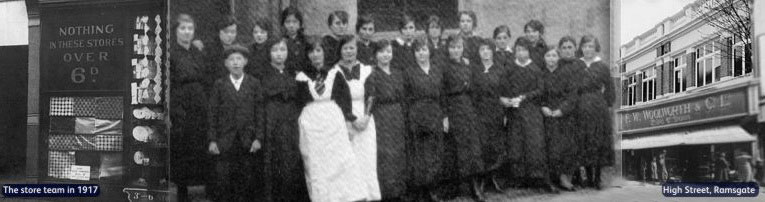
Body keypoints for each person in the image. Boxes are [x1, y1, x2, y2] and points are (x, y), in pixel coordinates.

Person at [296, 37, 368, 202]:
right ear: (307, 55)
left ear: (324, 52)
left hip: (333, 120)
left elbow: (345, 99)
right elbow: (299, 102)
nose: (315, 55)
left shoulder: (334, 73)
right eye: (311, 51)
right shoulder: (301, 77)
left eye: (318, 51)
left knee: (338, 160)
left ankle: (344, 197)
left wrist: (348, 121)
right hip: (312, 121)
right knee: (316, 162)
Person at [207, 45, 265, 202]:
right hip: (225, 140)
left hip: (247, 140)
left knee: (246, 180)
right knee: (224, 181)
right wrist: (212, 140)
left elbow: (259, 112)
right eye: (231, 59)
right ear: (226, 63)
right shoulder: (219, 84)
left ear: (245, 61)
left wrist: (258, 138)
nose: (235, 63)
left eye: (239, 59)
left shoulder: (254, 83)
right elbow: (212, 114)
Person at [258, 38, 309, 201]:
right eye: (275, 50)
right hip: (272, 120)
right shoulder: (262, 74)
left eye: (282, 50)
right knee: (275, 160)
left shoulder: (293, 72)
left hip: (292, 119)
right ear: (268, 53)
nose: (279, 54)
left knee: (293, 158)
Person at [334, 36, 382, 201]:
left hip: (366, 118)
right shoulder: (334, 72)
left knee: (367, 159)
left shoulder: (366, 69)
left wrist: (366, 117)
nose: (349, 51)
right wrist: (352, 119)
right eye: (345, 48)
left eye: (352, 48)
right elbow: (338, 99)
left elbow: (372, 94)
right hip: (345, 120)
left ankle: (369, 196)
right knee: (349, 161)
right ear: (340, 50)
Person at [168, 13, 209, 202]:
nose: (187, 32)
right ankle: (182, 193)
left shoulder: (198, 51)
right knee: (181, 149)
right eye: (183, 28)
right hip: (180, 108)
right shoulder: (169, 52)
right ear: (175, 30)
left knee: (199, 146)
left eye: (190, 28)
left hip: (199, 107)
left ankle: (200, 191)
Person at [502, 37, 550, 191]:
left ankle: (535, 177)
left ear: (529, 52)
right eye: (518, 50)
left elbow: (540, 90)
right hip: (515, 112)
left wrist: (525, 97)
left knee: (533, 144)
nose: (521, 53)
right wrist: (508, 99)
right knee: (516, 144)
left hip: (531, 111)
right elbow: (504, 88)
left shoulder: (535, 69)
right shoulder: (510, 68)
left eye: (524, 50)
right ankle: (519, 177)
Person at [404, 39, 448, 201]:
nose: (421, 53)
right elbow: (406, 98)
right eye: (417, 51)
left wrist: (445, 117)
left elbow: (443, 94)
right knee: (420, 154)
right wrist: (410, 117)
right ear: (414, 53)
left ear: (429, 51)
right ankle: (422, 191)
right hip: (417, 115)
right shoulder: (409, 72)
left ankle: (433, 189)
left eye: (424, 50)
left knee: (436, 152)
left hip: (435, 114)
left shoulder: (437, 70)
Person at [364, 39, 408, 201]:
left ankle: (400, 192)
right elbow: (370, 98)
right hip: (382, 116)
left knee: (399, 153)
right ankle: (388, 193)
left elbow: (403, 96)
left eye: (388, 51)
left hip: (398, 114)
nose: (386, 55)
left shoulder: (397, 72)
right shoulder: (372, 74)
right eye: (382, 52)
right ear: (375, 55)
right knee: (386, 155)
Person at [443, 35, 484, 200]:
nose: (455, 50)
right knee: (457, 147)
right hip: (454, 108)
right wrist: (445, 115)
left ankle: (475, 186)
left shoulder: (468, 65)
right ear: (448, 49)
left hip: (468, 107)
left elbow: (475, 88)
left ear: (463, 48)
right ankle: (458, 186)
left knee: (472, 146)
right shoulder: (443, 67)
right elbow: (442, 92)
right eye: (452, 47)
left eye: (458, 47)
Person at [576, 34, 615, 189]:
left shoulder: (602, 67)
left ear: (596, 48)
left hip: (598, 107)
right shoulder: (576, 65)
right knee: (583, 140)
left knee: (597, 140)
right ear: (581, 48)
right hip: (580, 105)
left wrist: (606, 104)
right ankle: (588, 176)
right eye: (585, 46)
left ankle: (597, 177)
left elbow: (610, 87)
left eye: (591, 46)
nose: (588, 49)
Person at [540, 47, 581, 191]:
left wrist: (561, 110)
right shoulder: (540, 74)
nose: (551, 58)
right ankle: (549, 179)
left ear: (558, 58)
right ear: (544, 58)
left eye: (554, 56)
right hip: (545, 115)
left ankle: (564, 178)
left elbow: (572, 95)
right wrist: (543, 106)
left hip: (563, 116)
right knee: (547, 148)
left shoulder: (566, 74)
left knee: (564, 147)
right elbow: (537, 94)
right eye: (548, 55)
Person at [205, 16, 241, 87]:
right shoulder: (209, 49)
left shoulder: (240, 49)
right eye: (226, 31)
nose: (229, 35)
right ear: (219, 32)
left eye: (233, 32)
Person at [281, 6, 309, 74]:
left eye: (294, 22)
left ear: (300, 24)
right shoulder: (280, 42)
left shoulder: (306, 42)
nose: (291, 25)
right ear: (283, 24)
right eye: (288, 22)